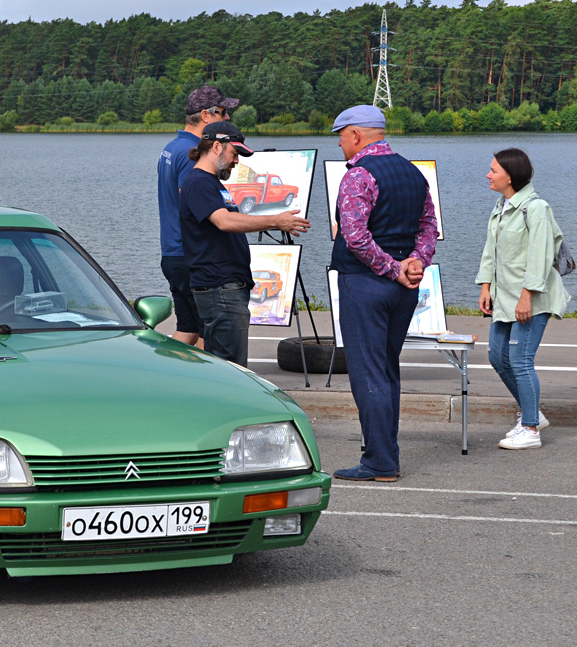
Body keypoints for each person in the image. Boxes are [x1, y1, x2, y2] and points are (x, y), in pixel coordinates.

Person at [330, 105, 438, 483]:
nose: (340, 144)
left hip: (365, 283)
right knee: (388, 370)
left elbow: (355, 235)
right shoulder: (413, 172)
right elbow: (428, 225)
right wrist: (415, 263)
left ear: (356, 135)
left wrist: (392, 268)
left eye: (341, 136)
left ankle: (379, 462)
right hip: (404, 289)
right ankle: (384, 452)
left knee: (368, 372)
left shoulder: (358, 176)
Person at [179, 121, 309, 366]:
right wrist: (275, 221)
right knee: (232, 368)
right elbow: (225, 221)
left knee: (227, 365)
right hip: (219, 288)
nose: (237, 161)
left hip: (226, 288)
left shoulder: (211, 184)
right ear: (216, 146)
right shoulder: (198, 182)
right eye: (234, 153)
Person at [476, 148, 569, 450]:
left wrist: (527, 296)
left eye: (493, 170)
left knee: (520, 360)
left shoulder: (535, 208)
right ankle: (533, 414)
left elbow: (541, 256)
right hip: (504, 297)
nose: (488, 174)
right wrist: (485, 285)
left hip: (531, 297)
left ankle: (530, 429)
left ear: (510, 176)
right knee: (496, 356)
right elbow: (491, 249)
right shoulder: (502, 205)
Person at [158, 86, 239, 346]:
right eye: (223, 112)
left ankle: (164, 378)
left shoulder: (173, 146)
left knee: (187, 329)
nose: (227, 118)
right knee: (208, 334)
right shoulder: (193, 153)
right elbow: (192, 202)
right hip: (190, 256)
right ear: (205, 115)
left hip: (173, 253)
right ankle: (202, 384)